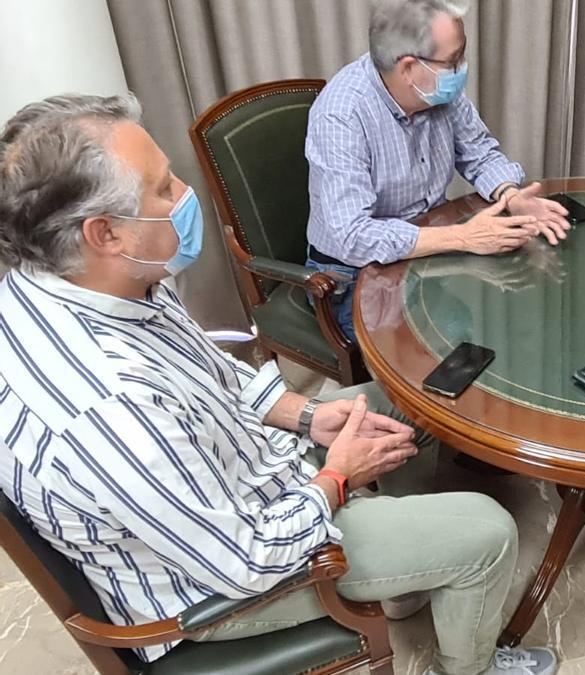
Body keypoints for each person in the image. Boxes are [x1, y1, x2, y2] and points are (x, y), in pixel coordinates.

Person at [0, 93, 556, 675]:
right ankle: (472, 666)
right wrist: (338, 479)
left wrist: (309, 416)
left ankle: (406, 576)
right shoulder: (109, 407)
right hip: (216, 588)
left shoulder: (101, 282)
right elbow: (242, 561)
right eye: (164, 188)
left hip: (241, 480)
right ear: (105, 234)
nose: (186, 195)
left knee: (417, 398)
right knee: (489, 533)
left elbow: (210, 375)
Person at [306, 0, 570, 343]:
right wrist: (463, 238)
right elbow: (353, 237)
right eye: (453, 60)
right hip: (353, 277)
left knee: (514, 308)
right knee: (443, 348)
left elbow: (479, 152)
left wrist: (511, 195)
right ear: (408, 67)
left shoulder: (436, 88)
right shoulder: (341, 116)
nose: (462, 68)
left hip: (429, 251)